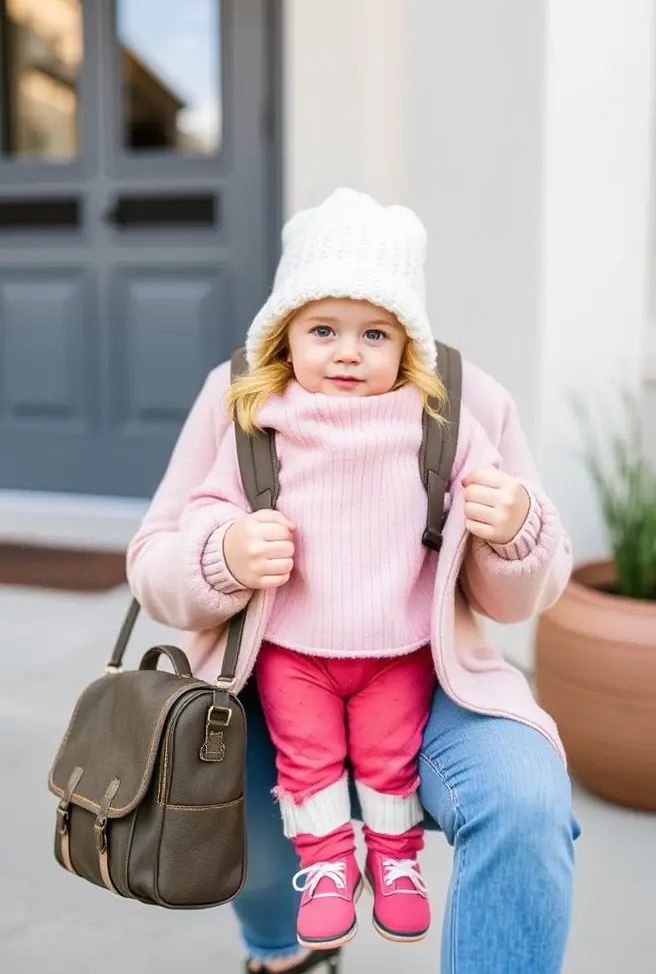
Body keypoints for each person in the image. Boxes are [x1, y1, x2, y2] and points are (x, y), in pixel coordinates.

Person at [127, 188, 580, 974]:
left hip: (423, 669)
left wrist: (516, 529)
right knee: (243, 797)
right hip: (269, 674)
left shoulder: (461, 406)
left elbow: (520, 599)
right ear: (285, 332)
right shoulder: (241, 401)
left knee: (527, 803)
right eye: (323, 328)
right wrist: (223, 557)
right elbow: (152, 562)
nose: (347, 351)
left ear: (409, 340)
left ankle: (382, 876)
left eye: (375, 332)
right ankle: (286, 951)